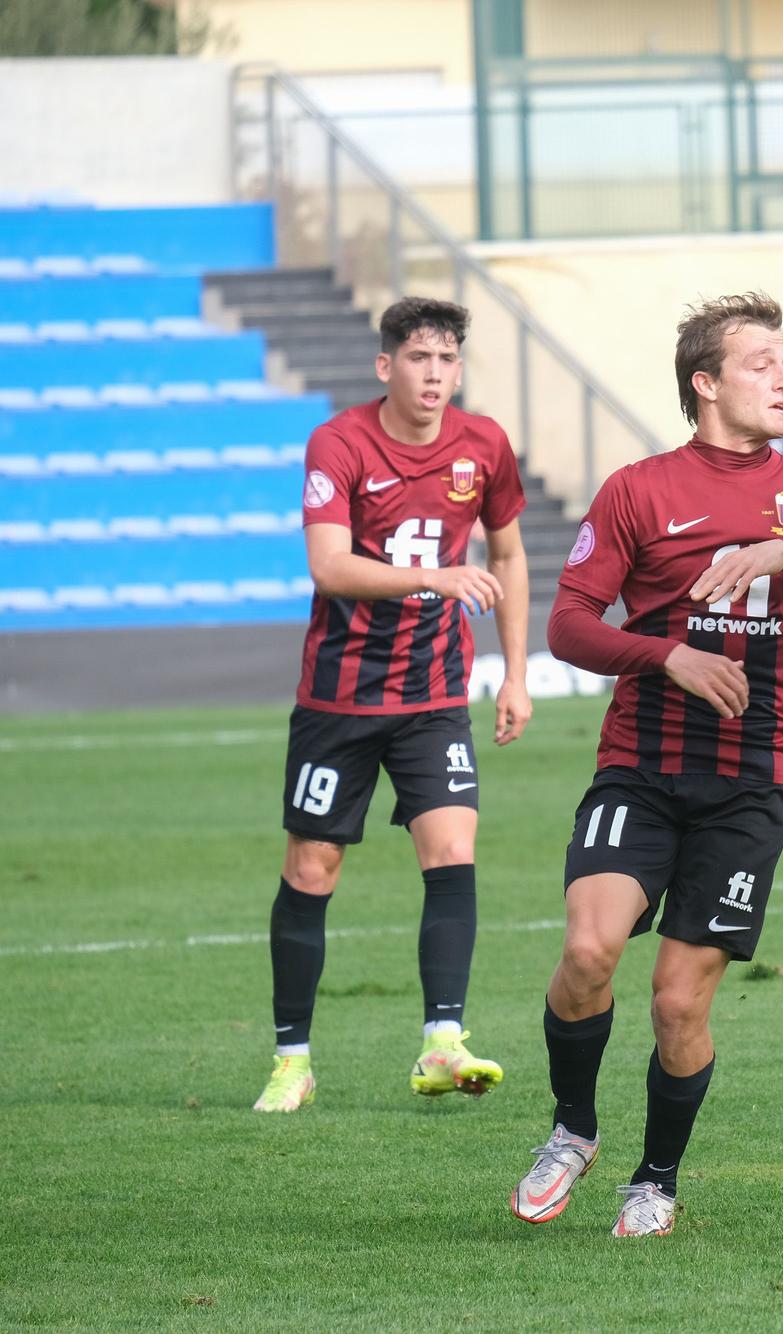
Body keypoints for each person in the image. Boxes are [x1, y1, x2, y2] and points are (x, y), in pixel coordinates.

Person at [512, 293, 783, 1238]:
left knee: (677, 1005)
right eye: (761, 361)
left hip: (758, 775)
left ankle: (656, 1178)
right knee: (586, 951)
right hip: (641, 768)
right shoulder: (639, 489)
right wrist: (668, 656)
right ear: (706, 382)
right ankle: (573, 1128)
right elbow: (569, 624)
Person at [254, 297, 532, 1114]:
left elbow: (510, 557)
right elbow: (330, 567)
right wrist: (436, 577)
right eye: (419, 358)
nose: (435, 374)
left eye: (447, 359)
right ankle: (291, 1060)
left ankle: (443, 1042)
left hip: (435, 694)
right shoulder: (339, 443)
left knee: (452, 854)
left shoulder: (484, 445)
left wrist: (514, 674)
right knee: (313, 868)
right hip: (339, 698)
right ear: (387, 366)